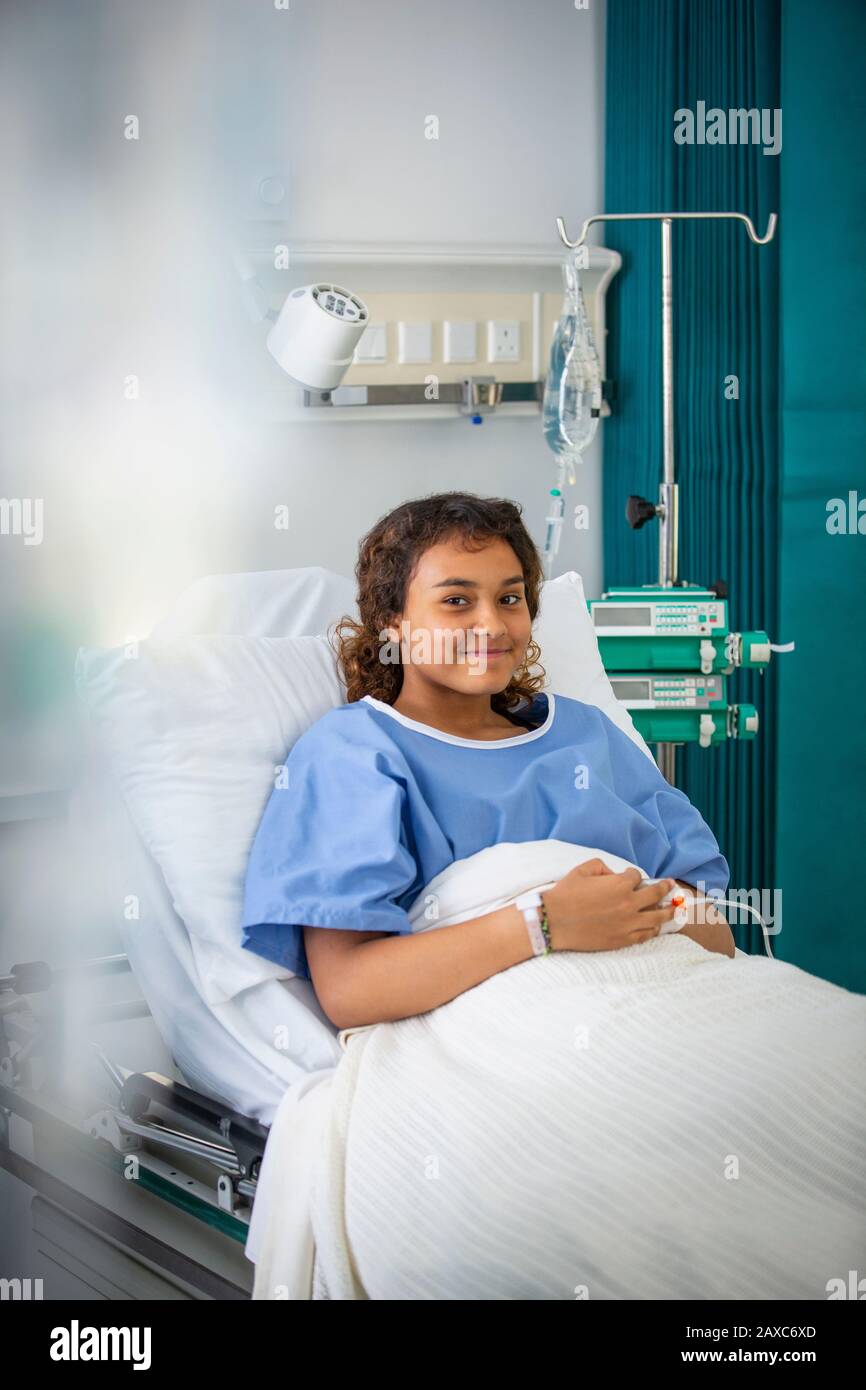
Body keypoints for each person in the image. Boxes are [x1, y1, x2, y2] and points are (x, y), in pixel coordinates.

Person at [241, 492, 734, 1030]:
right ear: (393, 621)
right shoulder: (354, 755)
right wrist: (546, 925)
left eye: (509, 598)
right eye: (456, 601)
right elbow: (349, 989)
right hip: (510, 1035)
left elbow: (714, 930)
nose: (492, 626)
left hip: (676, 1002)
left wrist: (636, 919)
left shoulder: (585, 735)